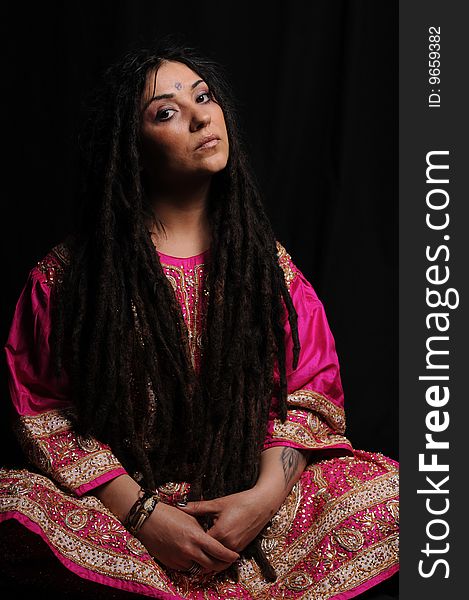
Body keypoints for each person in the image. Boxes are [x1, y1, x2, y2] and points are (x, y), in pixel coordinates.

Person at [0, 36, 399, 599]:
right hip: (126, 513)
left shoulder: (266, 268)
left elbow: (308, 391)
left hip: (249, 500)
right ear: (129, 147)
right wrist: (146, 517)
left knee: (407, 497)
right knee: (13, 505)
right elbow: (47, 412)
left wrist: (260, 501)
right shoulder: (68, 280)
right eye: (167, 111)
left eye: (204, 97)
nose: (200, 117)